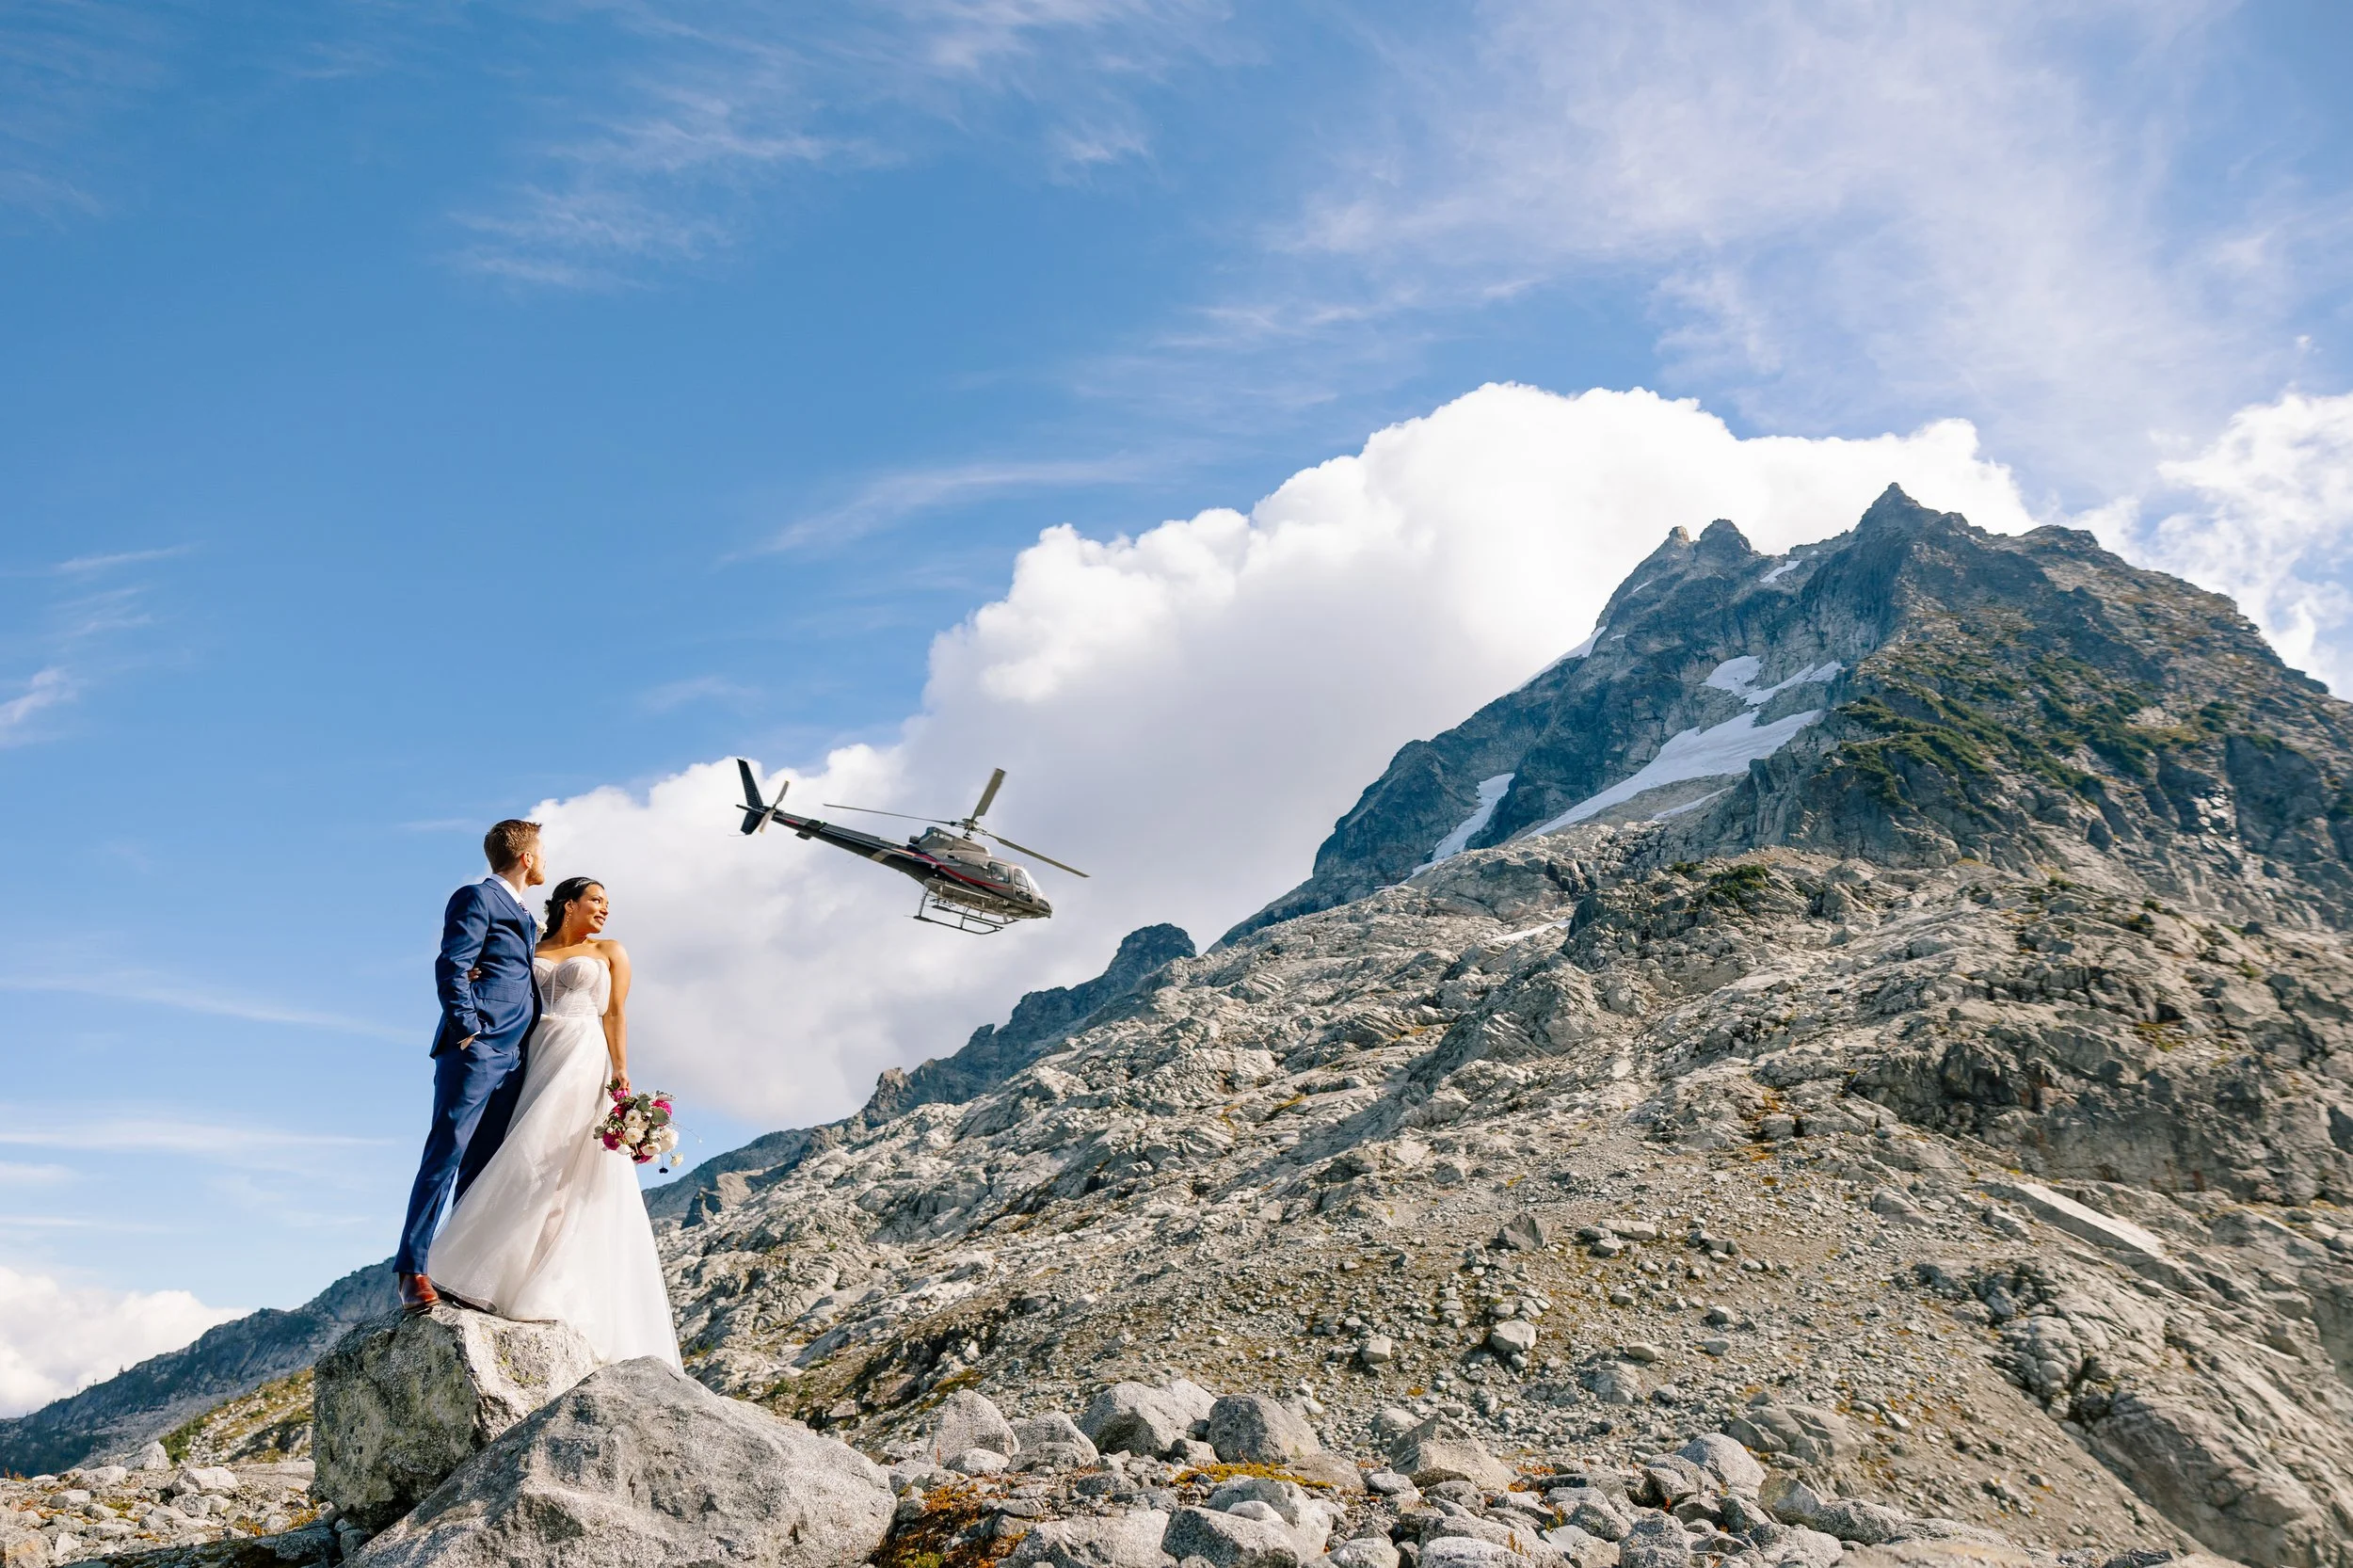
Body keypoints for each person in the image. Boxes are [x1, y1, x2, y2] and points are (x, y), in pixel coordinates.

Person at [424, 875, 680, 1367]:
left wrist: (621, 1070)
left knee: (562, 1159)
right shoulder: (531, 946)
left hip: (583, 1055)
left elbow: (614, 1014)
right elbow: (502, 979)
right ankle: (495, 1270)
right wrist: (475, 978)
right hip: (532, 1054)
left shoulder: (610, 951)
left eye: (607, 902)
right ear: (568, 905)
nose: (604, 909)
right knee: (522, 1155)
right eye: (596, 900)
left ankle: (550, 1284)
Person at [393, 820, 547, 1314]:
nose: (545, 861)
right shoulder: (477, 897)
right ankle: (412, 1270)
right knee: (446, 1154)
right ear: (526, 857)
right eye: (542, 852)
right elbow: (452, 964)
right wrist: (468, 1028)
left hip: (515, 1054)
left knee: (483, 1166)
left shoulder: (524, 914)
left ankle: (456, 1272)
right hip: (476, 1047)